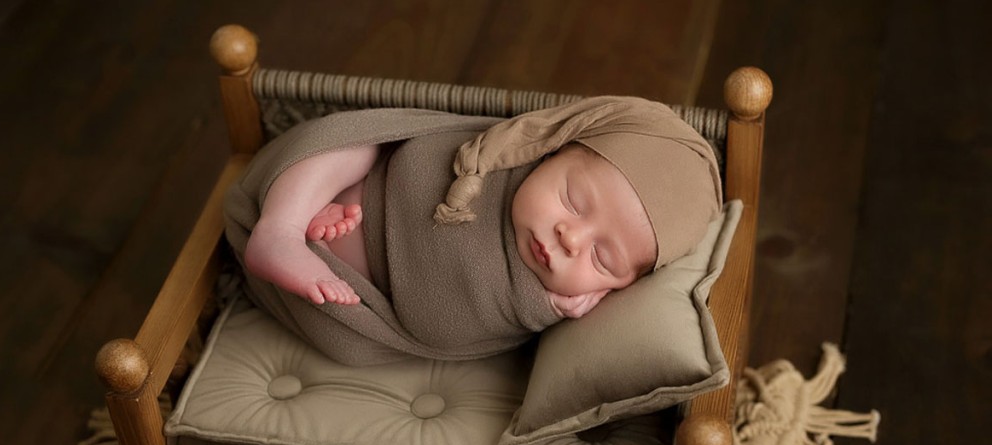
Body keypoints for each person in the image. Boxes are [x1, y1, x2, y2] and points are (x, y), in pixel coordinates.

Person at [224, 96, 721, 365]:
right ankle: (284, 227)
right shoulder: (497, 156)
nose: (571, 237)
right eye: (573, 201)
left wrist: (544, 309)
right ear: (552, 150)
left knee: (350, 345)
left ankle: (308, 236)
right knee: (351, 143)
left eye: (602, 259)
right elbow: (418, 156)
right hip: (355, 186)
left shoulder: (535, 301)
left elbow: (440, 326)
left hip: (355, 287)